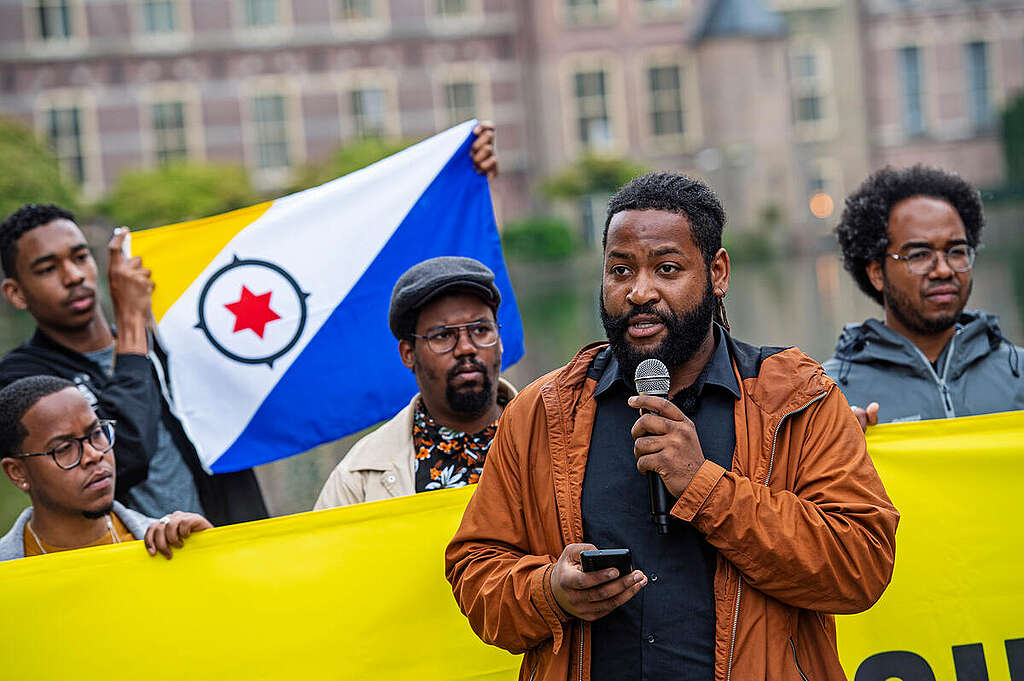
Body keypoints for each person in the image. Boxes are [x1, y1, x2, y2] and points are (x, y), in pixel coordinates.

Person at [445, 172, 898, 681]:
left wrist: (705, 486)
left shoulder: (797, 399)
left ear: (718, 272)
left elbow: (861, 565)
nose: (640, 292)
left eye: (666, 268)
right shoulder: (541, 412)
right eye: (620, 270)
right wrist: (549, 590)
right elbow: (475, 570)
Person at [0, 204, 268, 525]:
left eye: (80, 257)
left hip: (225, 544)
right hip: (132, 562)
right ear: (16, 294)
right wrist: (130, 323)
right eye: (47, 269)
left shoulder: (164, 346)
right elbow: (122, 456)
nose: (74, 276)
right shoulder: (22, 380)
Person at [824, 165, 1023, 428]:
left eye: (957, 251)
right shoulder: (830, 398)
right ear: (876, 273)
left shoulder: (1018, 373)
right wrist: (838, 451)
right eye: (919, 255)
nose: (943, 270)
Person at [315, 256, 516, 508]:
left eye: (480, 330)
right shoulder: (358, 480)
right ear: (408, 354)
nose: (466, 348)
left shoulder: (554, 438)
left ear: (499, 340)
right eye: (443, 336)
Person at [0, 375, 212, 561]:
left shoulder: (171, 545)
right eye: (64, 448)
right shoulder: (9, 572)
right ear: (17, 472)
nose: (94, 455)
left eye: (96, 433)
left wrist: (211, 553)